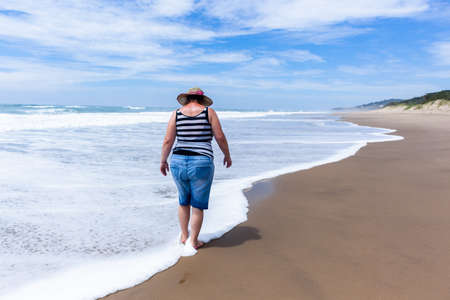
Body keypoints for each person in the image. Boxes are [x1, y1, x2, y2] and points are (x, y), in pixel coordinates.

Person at [160, 87, 232, 249]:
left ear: (187, 98)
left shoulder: (177, 113)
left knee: (183, 200)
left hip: (177, 160)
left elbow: (167, 140)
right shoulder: (209, 112)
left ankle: (185, 236)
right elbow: (219, 136)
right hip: (201, 161)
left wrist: (163, 161)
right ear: (201, 99)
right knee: (198, 204)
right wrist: (227, 155)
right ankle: (193, 241)